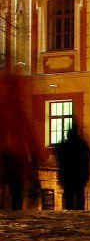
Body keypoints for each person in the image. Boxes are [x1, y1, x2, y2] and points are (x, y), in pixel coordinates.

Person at [0, 73, 39, 211]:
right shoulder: (16, 111)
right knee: (15, 188)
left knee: (15, 187)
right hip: (14, 156)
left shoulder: (15, 111)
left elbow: (27, 134)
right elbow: (28, 135)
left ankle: (12, 209)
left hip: (14, 157)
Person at [55, 120, 90, 211]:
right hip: (79, 175)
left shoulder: (66, 144)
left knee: (69, 195)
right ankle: (79, 211)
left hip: (69, 175)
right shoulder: (81, 143)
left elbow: (59, 158)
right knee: (79, 194)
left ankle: (71, 211)